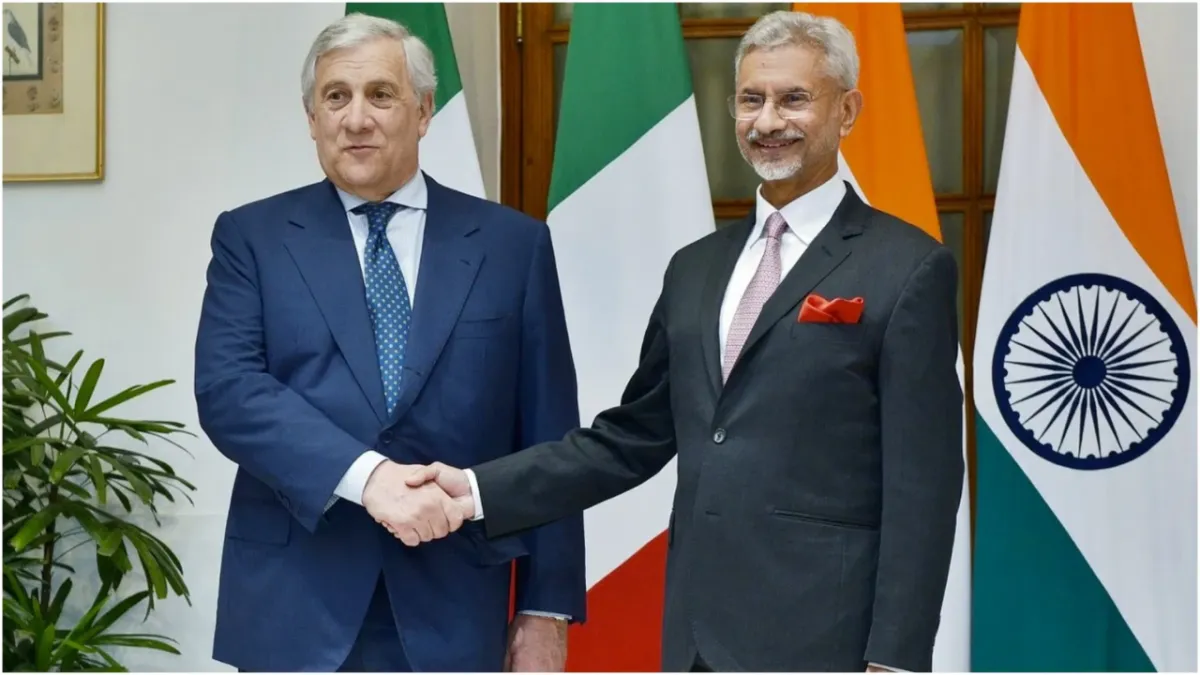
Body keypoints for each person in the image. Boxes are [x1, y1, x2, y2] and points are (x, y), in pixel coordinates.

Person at [400, 10, 964, 673]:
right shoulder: (695, 268)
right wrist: (476, 489)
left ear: (847, 110)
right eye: (750, 100)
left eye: (793, 99)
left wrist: (896, 659)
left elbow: (924, 485)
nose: (768, 120)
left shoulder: (908, 266)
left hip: (828, 641)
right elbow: (629, 439)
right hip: (697, 640)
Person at [193, 13, 585, 673]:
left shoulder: (512, 246)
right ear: (311, 117)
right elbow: (230, 392)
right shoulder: (252, 238)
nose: (356, 118)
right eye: (336, 97)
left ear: (424, 111)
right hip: (297, 603)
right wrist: (369, 477)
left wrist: (547, 606)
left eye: (380, 94)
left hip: (457, 603)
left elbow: (548, 438)